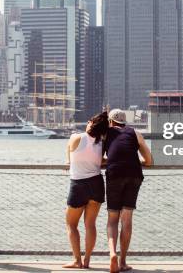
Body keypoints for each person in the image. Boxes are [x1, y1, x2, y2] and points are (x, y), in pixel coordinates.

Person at [104, 109, 152, 273]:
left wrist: (110, 159)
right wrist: (134, 159)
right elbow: (149, 161)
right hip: (134, 175)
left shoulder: (105, 134)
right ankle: (123, 261)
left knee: (112, 219)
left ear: (111, 122)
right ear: (125, 122)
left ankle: (112, 254)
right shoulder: (135, 134)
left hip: (115, 174)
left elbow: (96, 159)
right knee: (127, 218)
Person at [63, 111, 109, 269]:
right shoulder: (101, 143)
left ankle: (77, 260)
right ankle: (87, 260)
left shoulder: (76, 137)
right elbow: (101, 160)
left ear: (91, 123)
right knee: (90, 224)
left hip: (78, 184)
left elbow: (69, 150)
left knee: (71, 224)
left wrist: (69, 161)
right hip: (96, 183)